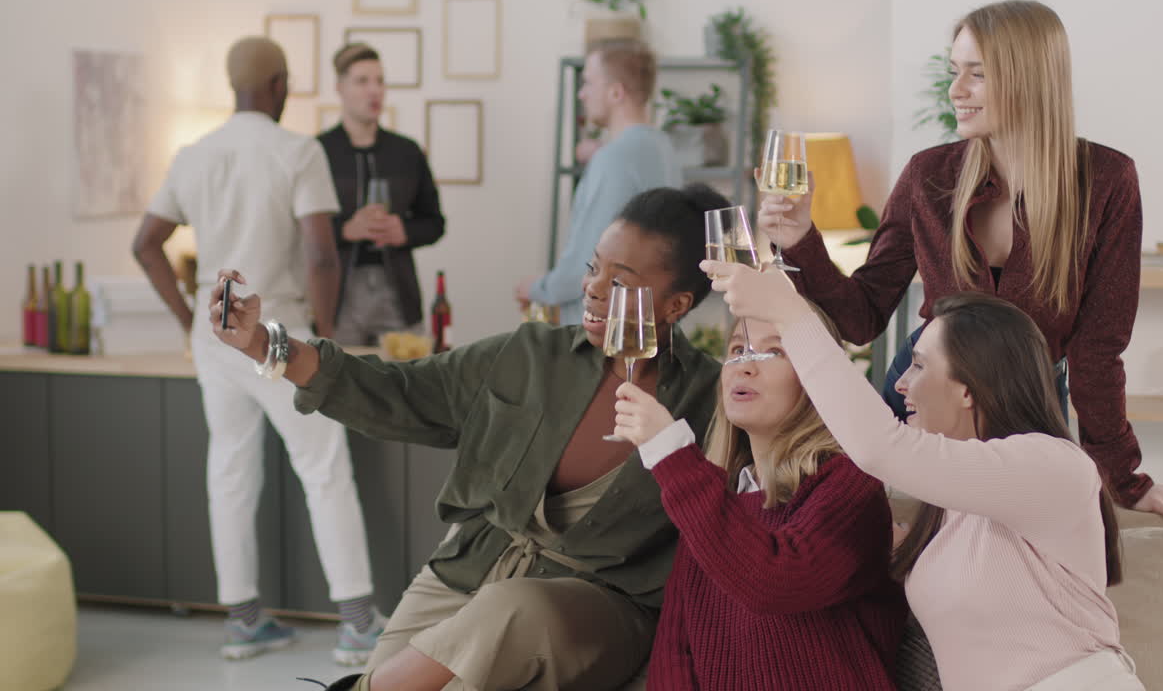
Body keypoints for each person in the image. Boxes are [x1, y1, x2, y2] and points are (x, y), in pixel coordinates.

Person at [211, 185, 728, 691]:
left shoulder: (712, 402)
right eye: (594, 268)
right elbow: (399, 391)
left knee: (514, 609)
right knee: (421, 661)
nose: (592, 288)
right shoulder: (529, 357)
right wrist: (262, 342)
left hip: (601, 607)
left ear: (676, 304)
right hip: (471, 572)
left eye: (621, 282)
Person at [758, 0, 1163, 524]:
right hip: (918, 399)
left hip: (1027, 405)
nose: (956, 91)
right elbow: (861, 317)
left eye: (977, 74)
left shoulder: (1107, 181)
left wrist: (1122, 479)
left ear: (1028, 79)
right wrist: (801, 239)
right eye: (956, 72)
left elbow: (1097, 350)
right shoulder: (928, 175)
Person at [708, 260, 1147, 691]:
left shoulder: (1054, 467)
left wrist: (790, 313)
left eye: (918, 365)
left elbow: (880, 447)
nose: (901, 386)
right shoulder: (951, 501)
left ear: (967, 388)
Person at [131, 36, 385, 664]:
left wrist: (191, 315)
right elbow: (321, 253)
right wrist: (326, 342)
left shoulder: (193, 155)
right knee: (324, 468)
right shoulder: (297, 151)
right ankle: (356, 624)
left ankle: (243, 620)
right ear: (278, 85)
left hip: (215, 333)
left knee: (230, 471)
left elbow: (146, 243)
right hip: (278, 333)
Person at [610, 310, 905, 690]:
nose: (745, 365)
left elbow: (774, 581)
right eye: (737, 349)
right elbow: (676, 648)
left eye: (774, 352)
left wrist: (670, 453)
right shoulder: (720, 499)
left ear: (819, 377)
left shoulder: (850, 484)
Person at [515, 38, 680, 324]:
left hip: (601, 330)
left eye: (589, 83)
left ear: (616, 92)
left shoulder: (615, 158)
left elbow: (588, 264)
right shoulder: (663, 148)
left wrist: (537, 288)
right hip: (645, 325)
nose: (582, 94)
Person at [318, 42, 445, 346]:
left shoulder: (407, 152)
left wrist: (405, 231)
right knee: (338, 386)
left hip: (398, 293)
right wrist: (345, 230)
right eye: (362, 81)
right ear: (340, 88)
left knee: (404, 385)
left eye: (380, 81)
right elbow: (298, 229)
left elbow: (435, 223)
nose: (374, 90)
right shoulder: (318, 152)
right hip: (337, 298)